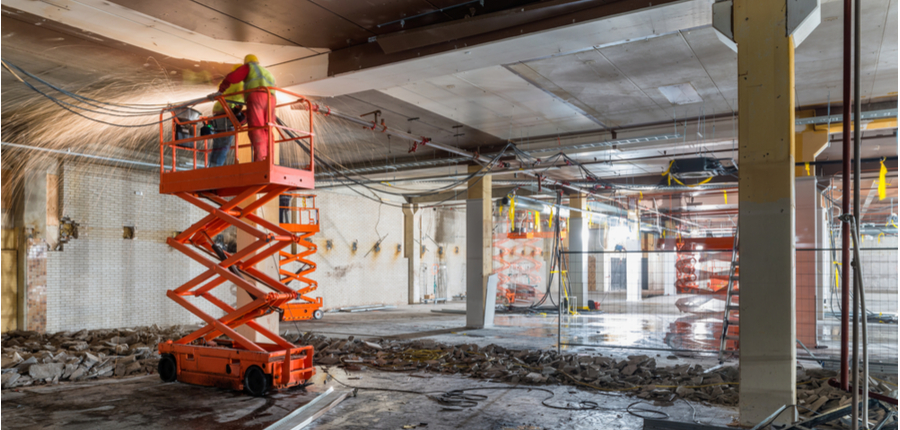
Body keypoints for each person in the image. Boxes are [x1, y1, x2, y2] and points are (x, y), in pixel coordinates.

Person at [213, 54, 276, 162]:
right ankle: (269, 160)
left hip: (256, 96)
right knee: (267, 129)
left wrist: (220, 90)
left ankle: (260, 159)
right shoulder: (268, 73)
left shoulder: (249, 67)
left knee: (256, 128)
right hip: (271, 99)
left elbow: (232, 77)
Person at [208, 64, 244, 167]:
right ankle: (216, 168)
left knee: (217, 143)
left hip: (216, 112)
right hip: (225, 114)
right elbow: (240, 98)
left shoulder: (227, 81)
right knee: (224, 143)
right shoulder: (241, 83)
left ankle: (211, 167)